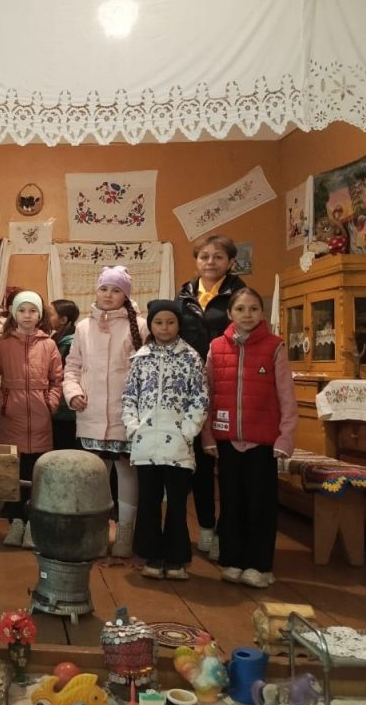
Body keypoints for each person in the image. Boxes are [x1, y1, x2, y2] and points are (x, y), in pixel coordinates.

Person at [201, 287, 297, 589]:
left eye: (254, 308)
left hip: (263, 442)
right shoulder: (216, 347)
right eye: (240, 309)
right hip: (227, 440)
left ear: (261, 313)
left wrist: (285, 438)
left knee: (260, 503)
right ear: (230, 313)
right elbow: (208, 395)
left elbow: (286, 397)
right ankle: (232, 560)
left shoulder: (275, 347)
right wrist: (208, 435)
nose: (247, 314)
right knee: (231, 502)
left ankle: (259, 565)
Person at [63, 265, 146, 559]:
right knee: (96, 474)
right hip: (92, 412)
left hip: (127, 415)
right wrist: (73, 392)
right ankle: (97, 532)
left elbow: (146, 371)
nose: (109, 295)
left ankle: (125, 533)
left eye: (116, 290)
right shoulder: (83, 327)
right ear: (96, 291)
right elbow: (72, 367)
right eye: (104, 288)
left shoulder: (141, 326)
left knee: (126, 471)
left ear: (126, 295)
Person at [122, 300, 208, 580]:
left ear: (179, 325)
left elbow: (200, 397)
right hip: (146, 443)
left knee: (177, 503)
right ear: (151, 325)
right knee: (148, 501)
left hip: (178, 444)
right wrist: (133, 428)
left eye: (170, 322)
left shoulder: (191, 357)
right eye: (158, 322)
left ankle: (176, 559)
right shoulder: (140, 357)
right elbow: (129, 397)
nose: (164, 327)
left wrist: (188, 430)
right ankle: (151, 556)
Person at [177, 234, 246, 562]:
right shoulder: (184, 295)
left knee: (229, 461)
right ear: (196, 260)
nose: (210, 262)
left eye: (218, 257)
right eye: (204, 256)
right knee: (199, 461)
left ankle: (225, 531)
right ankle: (205, 525)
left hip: (228, 385)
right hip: (191, 388)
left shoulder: (240, 295)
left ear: (230, 262)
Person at [0, 290, 63, 549]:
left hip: (41, 418)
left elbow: (57, 380)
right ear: (14, 314)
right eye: (22, 310)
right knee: (14, 472)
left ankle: (32, 524)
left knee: (37, 472)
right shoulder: (3, 344)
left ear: (40, 315)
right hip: (12, 417)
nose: (27, 315)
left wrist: (50, 403)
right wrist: (2, 403)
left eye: (32, 311)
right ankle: (15, 521)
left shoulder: (49, 345)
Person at [49, 299, 80, 451]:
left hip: (66, 409)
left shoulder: (71, 344)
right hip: (56, 405)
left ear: (63, 320)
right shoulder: (55, 339)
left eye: (50, 314)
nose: (46, 317)